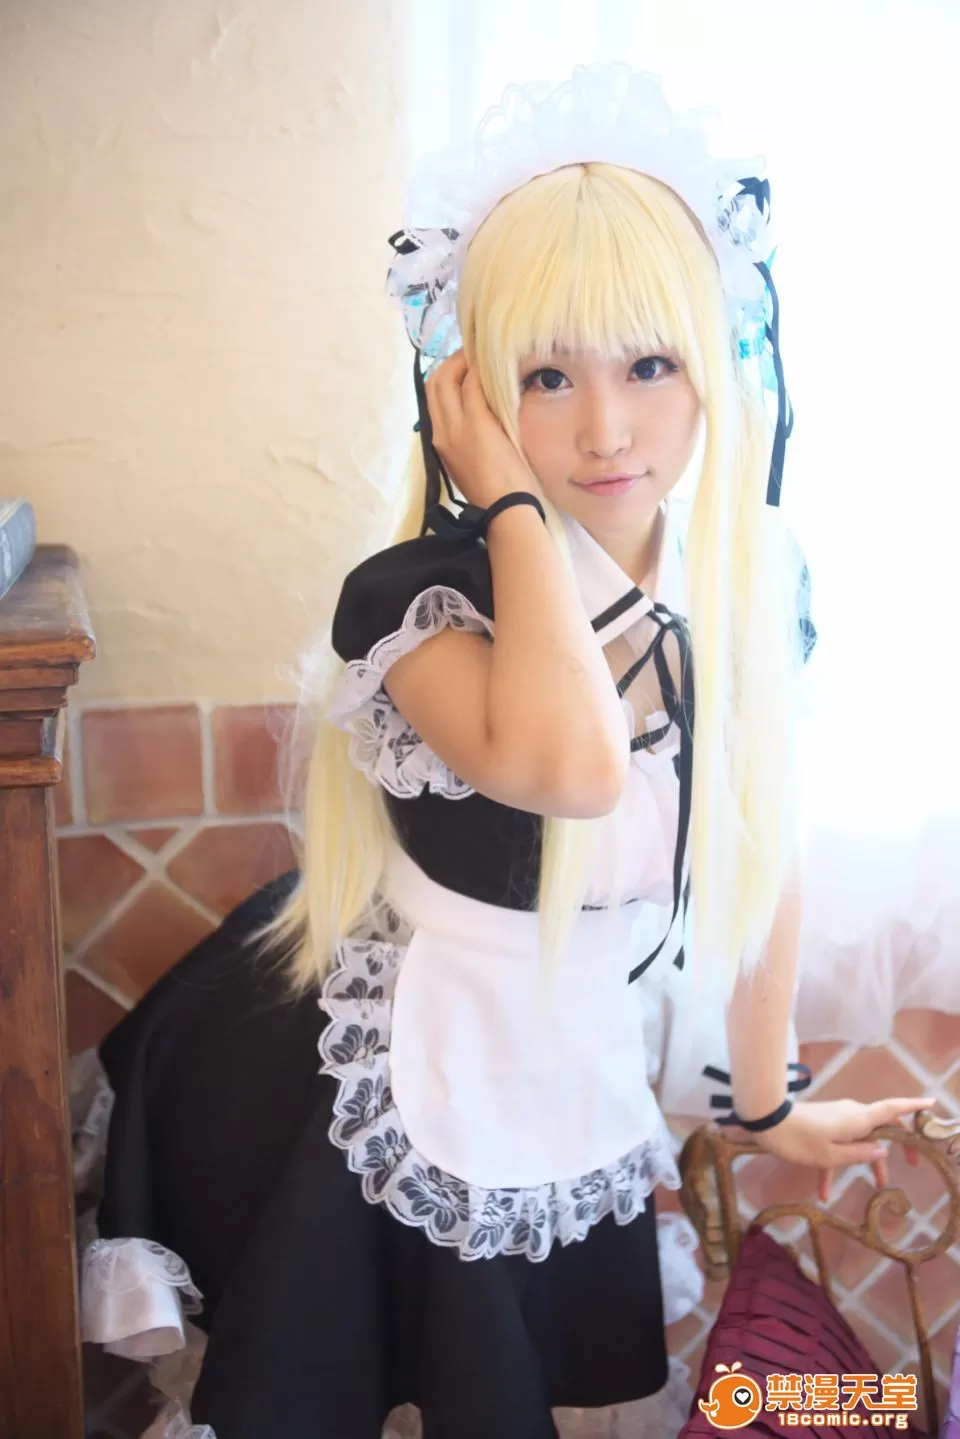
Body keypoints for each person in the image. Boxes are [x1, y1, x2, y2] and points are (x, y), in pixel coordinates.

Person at [78, 64, 934, 1439]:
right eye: (546, 375)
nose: (606, 427)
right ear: (469, 391)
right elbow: (574, 769)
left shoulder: (751, 582)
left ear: (716, 360)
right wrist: (512, 508)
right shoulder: (417, 601)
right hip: (401, 1082)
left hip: (572, 1067)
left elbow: (761, 846)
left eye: (650, 363)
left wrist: (767, 1102)